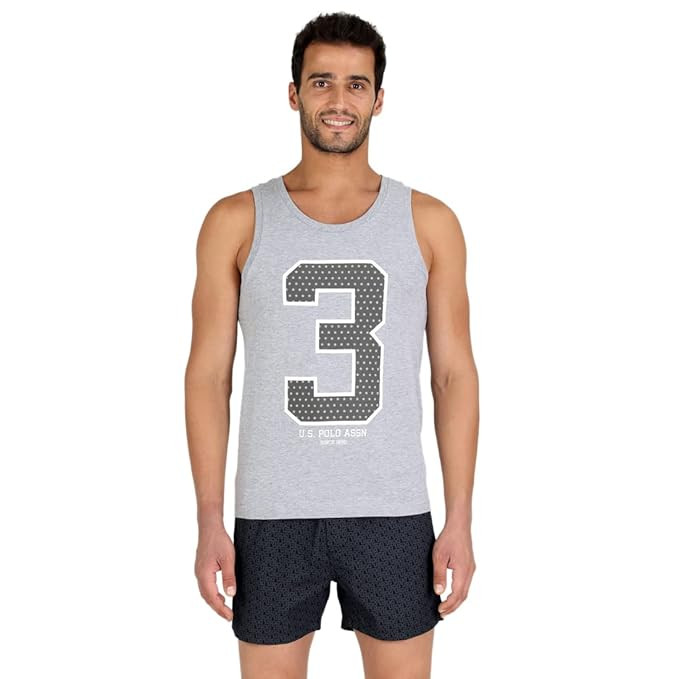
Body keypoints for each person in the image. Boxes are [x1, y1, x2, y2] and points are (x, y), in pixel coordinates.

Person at [184, 11, 479, 679]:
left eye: (355, 84)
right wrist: (208, 517)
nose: (338, 100)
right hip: (272, 512)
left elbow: (453, 375)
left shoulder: (429, 222)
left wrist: (459, 517)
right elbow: (208, 376)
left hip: (393, 509)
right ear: (294, 94)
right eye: (321, 82)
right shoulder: (235, 219)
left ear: (379, 98)